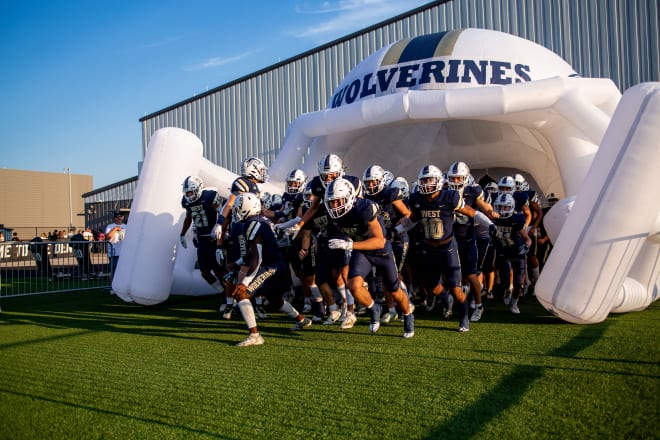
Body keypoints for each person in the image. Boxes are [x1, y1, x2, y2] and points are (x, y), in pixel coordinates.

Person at [396, 165, 498, 333]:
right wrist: (396, 230)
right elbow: (412, 220)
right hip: (429, 250)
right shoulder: (417, 198)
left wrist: (490, 224)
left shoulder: (449, 197)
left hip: (447, 248)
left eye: (430, 180)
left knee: (456, 289)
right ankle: (446, 299)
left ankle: (464, 316)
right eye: (424, 180)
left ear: (438, 181)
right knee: (433, 287)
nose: (426, 184)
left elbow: (471, 212)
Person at [324, 178, 415, 338]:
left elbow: (379, 241)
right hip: (361, 250)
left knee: (393, 290)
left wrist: (349, 246)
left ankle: (408, 314)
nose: (336, 206)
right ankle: (374, 309)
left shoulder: (365, 208)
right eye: (332, 202)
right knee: (353, 285)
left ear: (350, 197)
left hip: (381, 250)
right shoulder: (335, 215)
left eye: (339, 201)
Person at [227, 192, 312, 347]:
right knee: (276, 301)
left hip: (271, 266)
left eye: (239, 207)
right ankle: (302, 319)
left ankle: (255, 335)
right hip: (277, 265)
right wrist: (237, 262)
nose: (237, 210)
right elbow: (254, 252)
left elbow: (257, 257)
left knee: (242, 293)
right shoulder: (261, 220)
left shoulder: (252, 224)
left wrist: (245, 281)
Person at [179, 175, 226, 296]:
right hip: (201, 239)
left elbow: (222, 213)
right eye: (187, 193)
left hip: (214, 238)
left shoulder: (209, 196)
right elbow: (188, 217)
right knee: (204, 272)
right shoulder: (186, 202)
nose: (189, 195)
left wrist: (219, 227)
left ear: (199, 188)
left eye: (191, 192)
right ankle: (223, 292)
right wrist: (182, 234)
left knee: (218, 270)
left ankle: (229, 297)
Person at [490, 193, 532, 314]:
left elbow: (527, 239)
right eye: (500, 207)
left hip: (518, 253)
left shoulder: (517, 218)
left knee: (518, 283)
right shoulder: (493, 218)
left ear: (512, 207)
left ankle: (514, 302)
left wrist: (526, 246)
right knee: (505, 282)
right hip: (503, 253)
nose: (503, 210)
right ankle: (507, 290)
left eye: (506, 207)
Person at [105, 211, 126, 276]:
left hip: (124, 253)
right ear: (114, 218)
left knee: (123, 270)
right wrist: (115, 229)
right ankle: (113, 284)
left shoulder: (126, 226)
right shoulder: (110, 226)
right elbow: (108, 237)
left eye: (121, 216)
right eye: (117, 216)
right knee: (114, 270)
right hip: (114, 253)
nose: (119, 218)